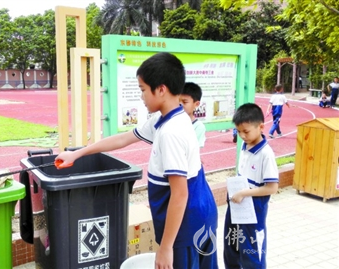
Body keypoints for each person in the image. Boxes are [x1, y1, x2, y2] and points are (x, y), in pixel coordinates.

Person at [56, 52, 218, 269]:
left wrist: (166, 247)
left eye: (143, 89)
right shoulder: (167, 119)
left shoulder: (171, 132)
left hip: (186, 226)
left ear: (161, 89)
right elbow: (124, 138)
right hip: (201, 213)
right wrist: (77, 154)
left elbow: (179, 194)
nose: (141, 96)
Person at [223, 103, 279, 269]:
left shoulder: (266, 154)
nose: (242, 135)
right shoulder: (244, 145)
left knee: (251, 253)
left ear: (261, 127)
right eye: (238, 131)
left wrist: (244, 193)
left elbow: (272, 188)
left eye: (246, 131)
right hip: (237, 204)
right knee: (231, 247)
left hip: (253, 211)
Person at [179, 82, 206, 148]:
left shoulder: (198, 127)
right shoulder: (171, 122)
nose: (180, 105)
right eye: (178, 101)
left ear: (196, 104)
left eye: (185, 102)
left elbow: (192, 151)